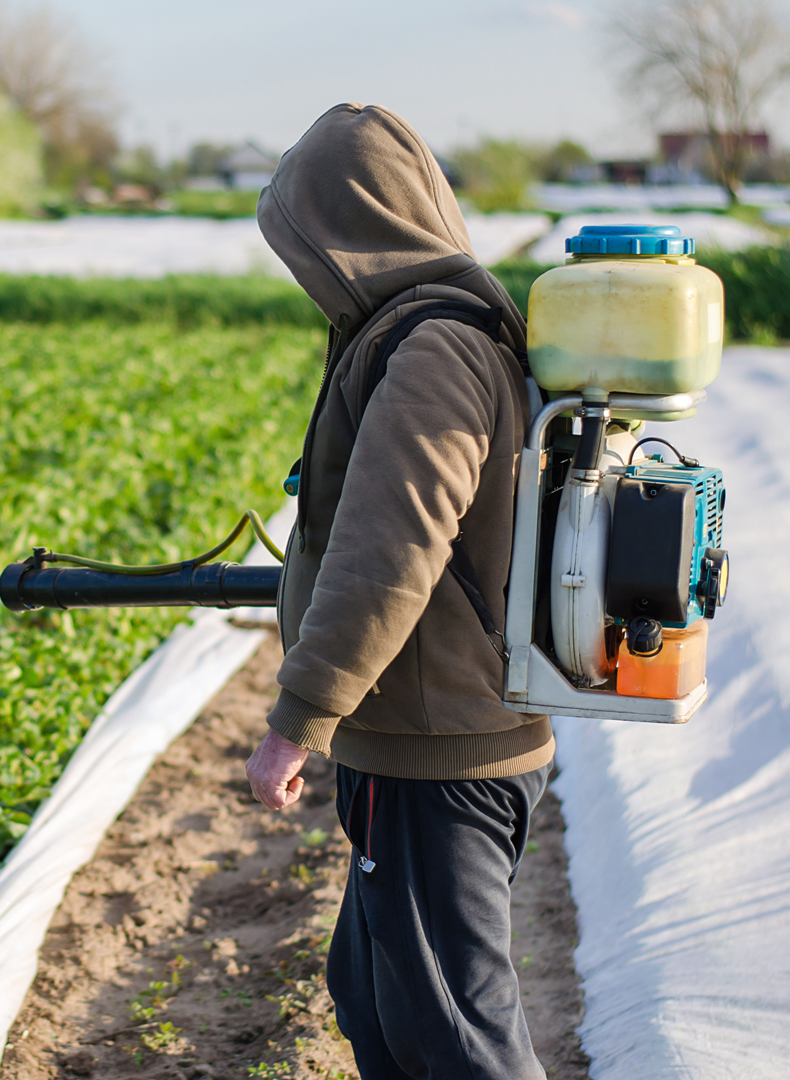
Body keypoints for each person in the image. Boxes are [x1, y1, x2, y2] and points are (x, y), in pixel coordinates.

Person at [244, 103, 553, 1080]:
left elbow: (392, 548)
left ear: (349, 228)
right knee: (375, 998)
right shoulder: (446, 326)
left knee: (454, 1037)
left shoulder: (432, 348)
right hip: (430, 741)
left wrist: (299, 718)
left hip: (435, 755)